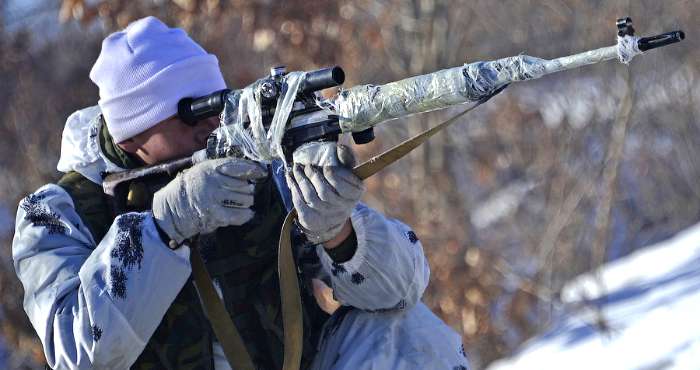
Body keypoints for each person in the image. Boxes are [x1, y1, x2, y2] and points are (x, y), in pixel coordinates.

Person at [12, 16, 469, 369]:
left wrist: (341, 235)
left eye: (219, 103)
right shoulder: (56, 213)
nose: (214, 124)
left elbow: (403, 289)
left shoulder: (256, 166)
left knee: (406, 332)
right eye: (190, 113)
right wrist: (161, 230)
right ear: (132, 138)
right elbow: (76, 353)